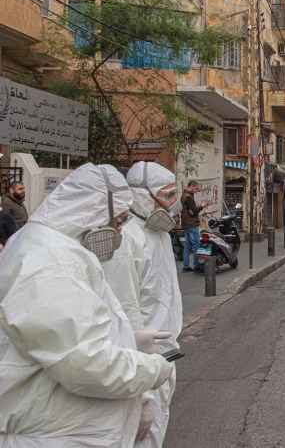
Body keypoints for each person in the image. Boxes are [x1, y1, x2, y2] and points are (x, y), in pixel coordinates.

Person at [0, 163, 174, 446]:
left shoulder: (59, 248)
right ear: (94, 210)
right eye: (119, 218)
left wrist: (127, 339)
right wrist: (151, 371)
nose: (119, 229)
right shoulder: (47, 261)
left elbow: (73, 329)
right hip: (50, 435)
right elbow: (81, 361)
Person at [127, 161, 184, 448]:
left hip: (165, 358)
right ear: (141, 195)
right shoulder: (128, 239)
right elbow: (125, 317)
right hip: (144, 366)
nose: (173, 203)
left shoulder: (159, 234)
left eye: (175, 194)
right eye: (167, 196)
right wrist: (142, 396)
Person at [180, 180, 204, 273]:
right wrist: (202, 206)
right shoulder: (188, 197)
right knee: (196, 245)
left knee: (187, 246)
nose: (196, 190)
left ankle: (186, 266)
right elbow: (192, 212)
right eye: (196, 188)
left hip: (186, 224)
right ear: (192, 186)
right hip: (191, 224)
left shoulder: (183, 196)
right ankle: (196, 266)